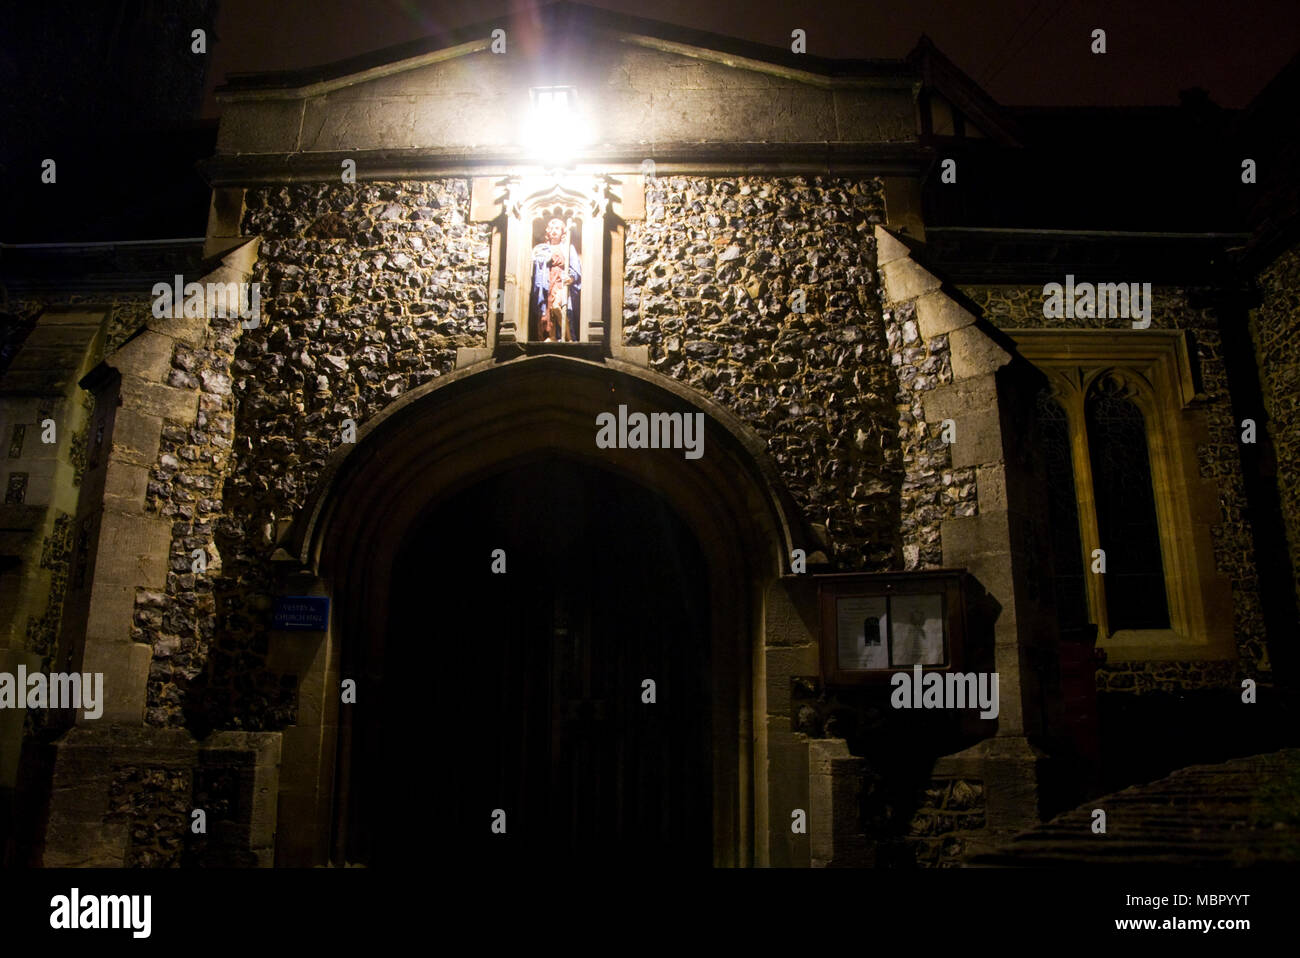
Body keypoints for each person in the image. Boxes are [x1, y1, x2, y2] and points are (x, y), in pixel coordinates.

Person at [532, 218, 582, 341]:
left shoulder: (567, 248)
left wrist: (570, 277)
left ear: (562, 232)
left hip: (560, 280)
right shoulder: (543, 249)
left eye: (558, 228)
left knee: (557, 306)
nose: (554, 231)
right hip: (546, 280)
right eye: (552, 228)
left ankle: (569, 337)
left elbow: (575, 267)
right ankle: (552, 336)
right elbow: (536, 265)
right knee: (548, 309)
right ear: (548, 231)